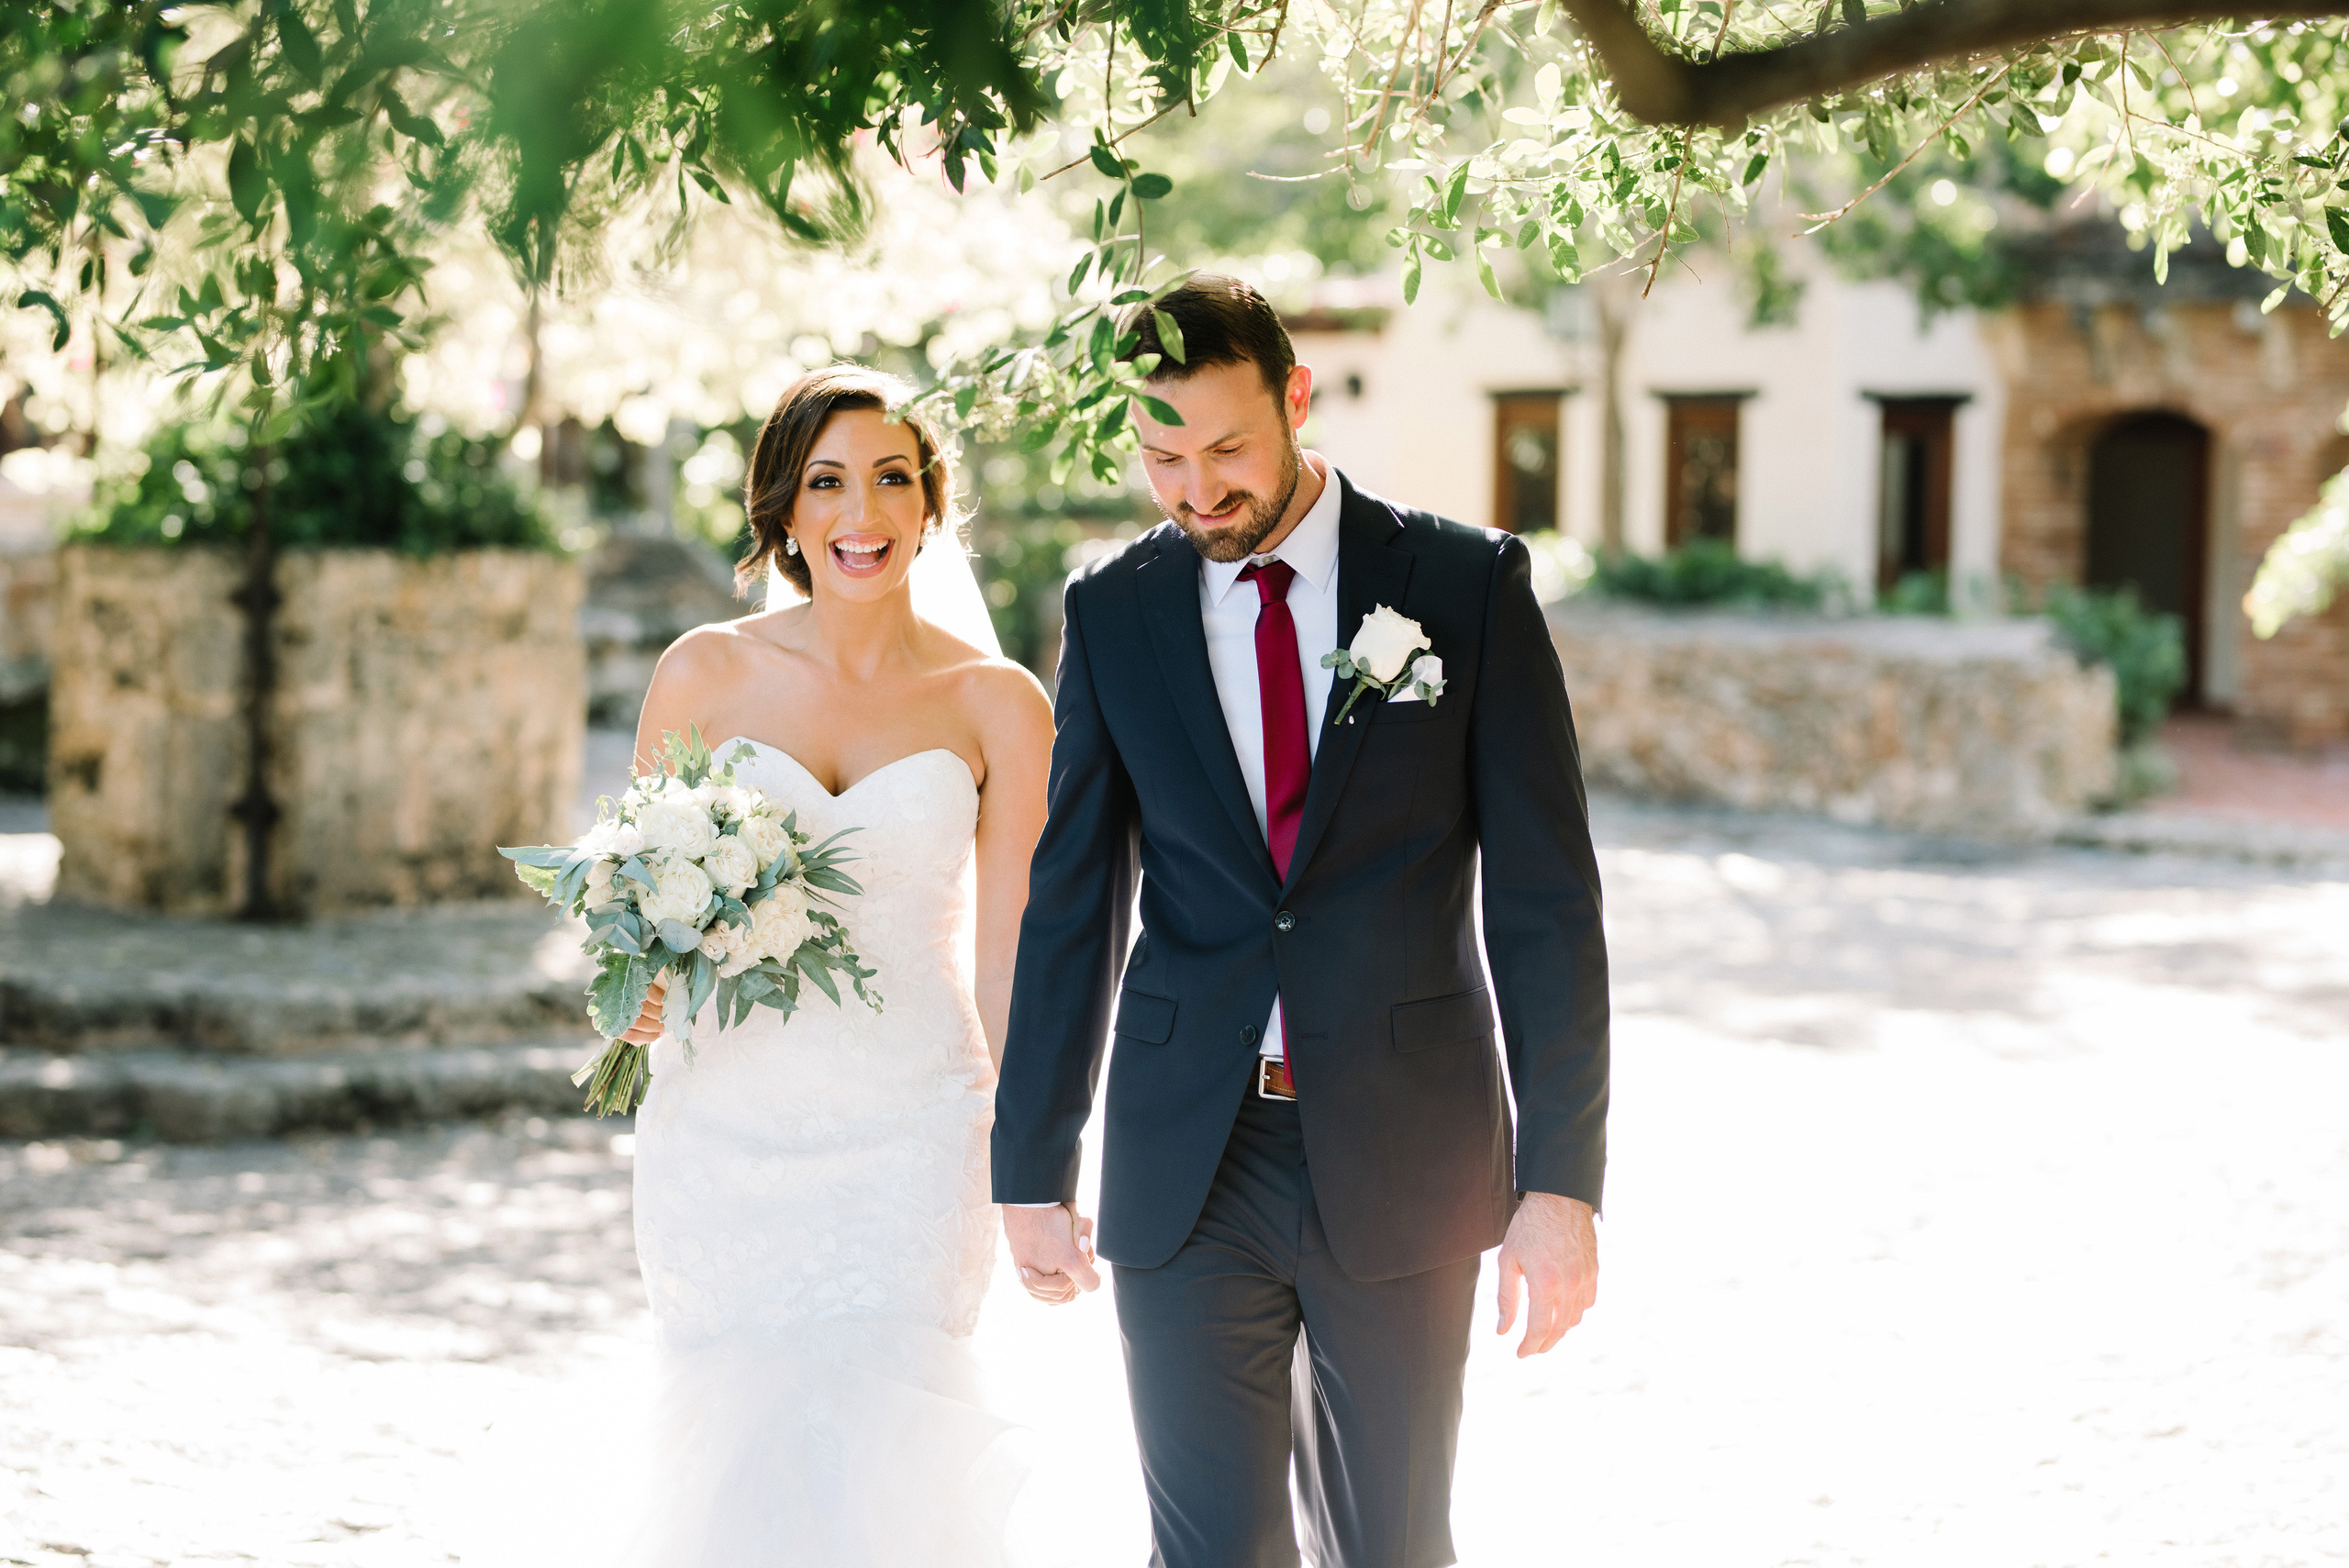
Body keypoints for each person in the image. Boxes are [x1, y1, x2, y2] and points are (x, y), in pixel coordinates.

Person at [994, 274, 1609, 1568]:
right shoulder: (1112, 609)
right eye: (1163, 458)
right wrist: (1032, 1165)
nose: (1197, 491)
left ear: (1298, 398)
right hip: (1190, 1155)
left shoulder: (1465, 583)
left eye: (1227, 450)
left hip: (1406, 1148)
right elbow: (1074, 900)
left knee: (1391, 1547)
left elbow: (1546, 903)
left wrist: (1560, 1182)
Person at [614, 364, 1054, 1564]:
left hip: (916, 1127)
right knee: (737, 1440)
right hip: (724, 1122)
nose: (863, 512)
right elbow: (637, 913)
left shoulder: (1000, 703)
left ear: (931, 503)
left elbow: (1010, 952)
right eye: (828, 482)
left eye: (892, 478)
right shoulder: (702, 674)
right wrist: (637, 992)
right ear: (785, 509)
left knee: (892, 1453)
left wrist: (1033, 1156)